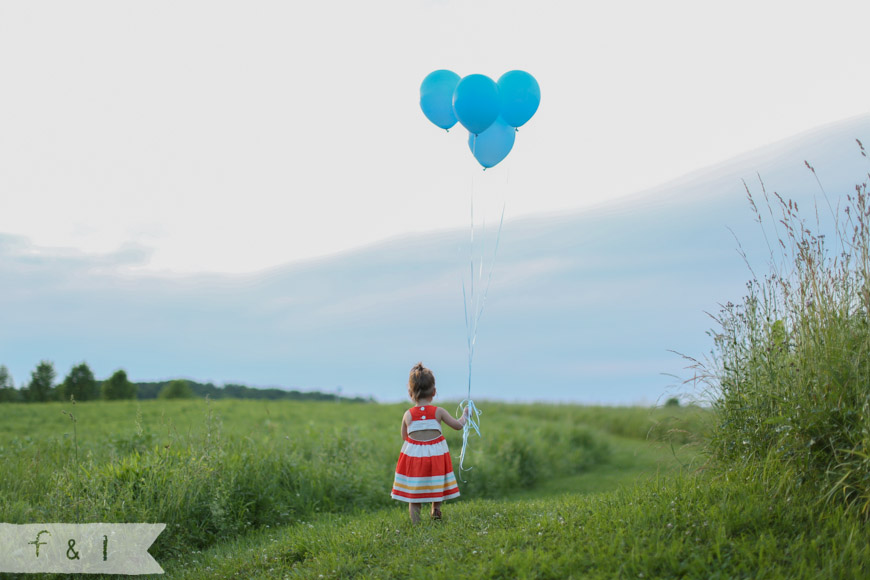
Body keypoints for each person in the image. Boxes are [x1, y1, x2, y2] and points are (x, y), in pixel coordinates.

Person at [391, 362, 468, 524]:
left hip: (415, 456)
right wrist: (465, 415)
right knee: (436, 481)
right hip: (436, 455)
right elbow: (457, 426)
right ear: (434, 391)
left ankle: (416, 524)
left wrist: (419, 446)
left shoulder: (408, 414)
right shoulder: (438, 411)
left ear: (410, 393)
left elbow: (405, 436)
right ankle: (435, 508)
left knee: (414, 491)